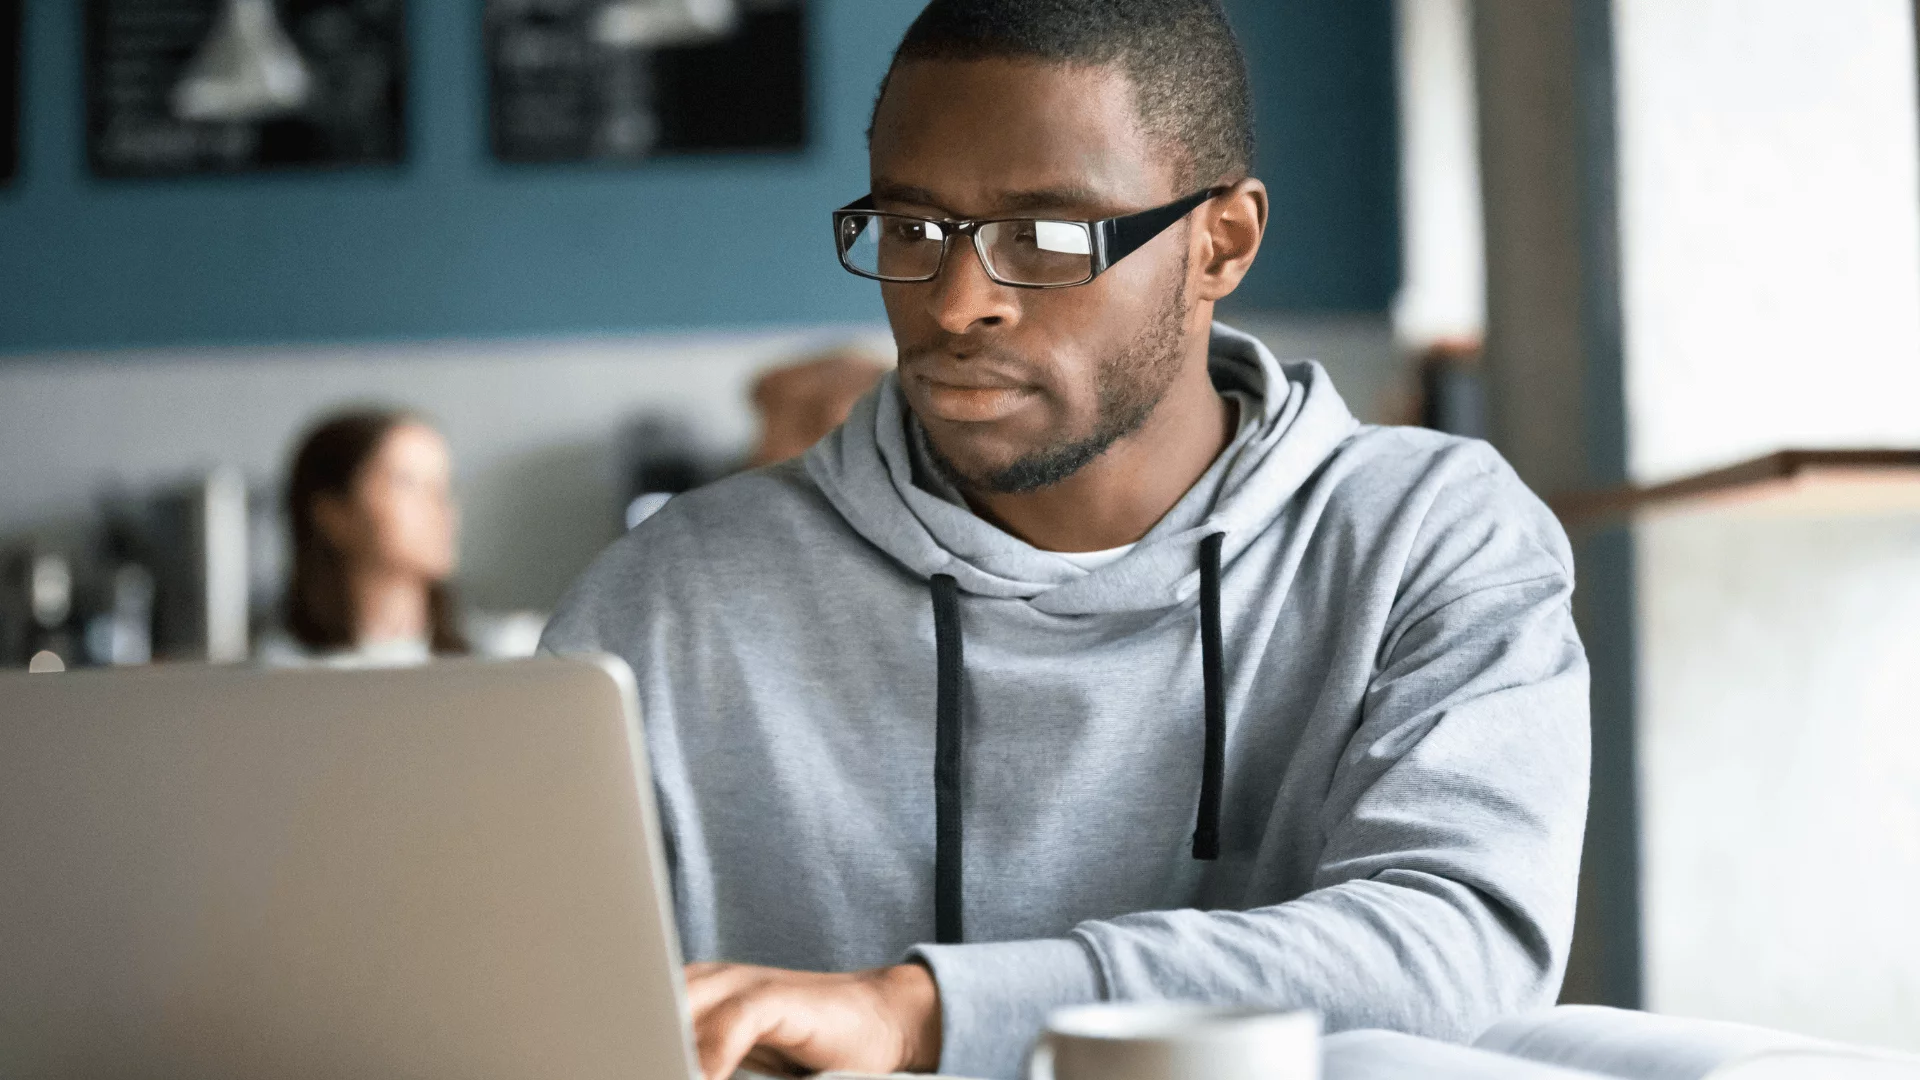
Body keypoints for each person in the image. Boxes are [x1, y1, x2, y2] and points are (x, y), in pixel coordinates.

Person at [541, 1, 1590, 1076]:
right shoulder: (668, 600)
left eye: (1044, 237)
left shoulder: (1426, 539)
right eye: (912, 230)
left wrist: (918, 1013)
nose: (957, 305)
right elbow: (528, 1000)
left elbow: (1457, 947)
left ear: (1219, 243)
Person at [268, 408, 467, 666]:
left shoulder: (509, 655)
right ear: (332, 513)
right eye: (408, 483)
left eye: (443, 486)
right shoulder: (277, 673)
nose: (441, 508)